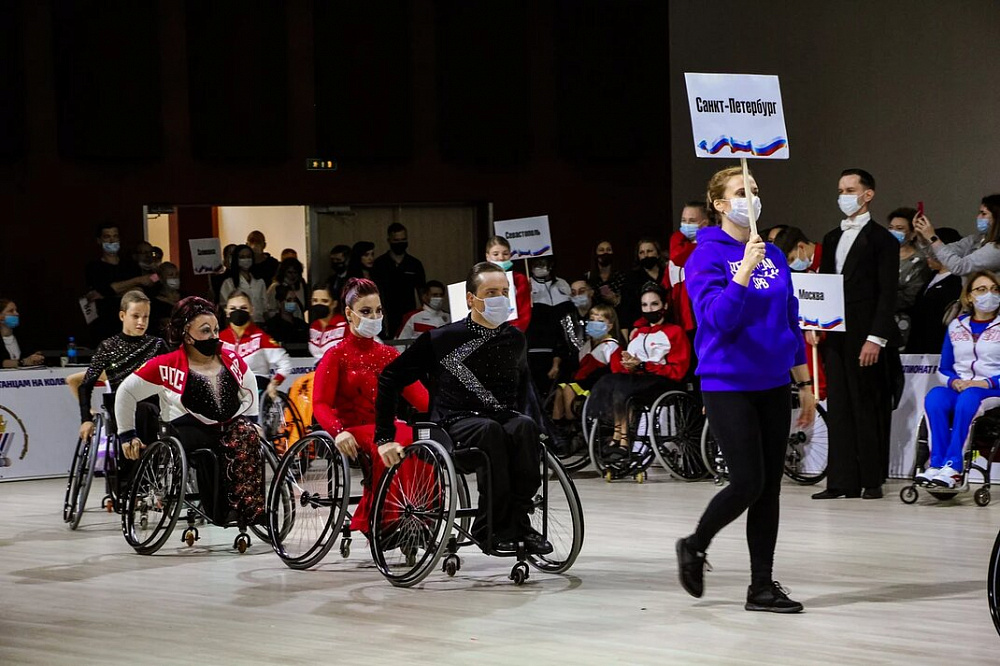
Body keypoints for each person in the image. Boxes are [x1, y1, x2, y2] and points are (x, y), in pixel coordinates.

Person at [677, 165, 815, 613]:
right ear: (719, 204)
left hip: (774, 381)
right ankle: (695, 544)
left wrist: (804, 383)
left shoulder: (772, 253)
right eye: (740, 191)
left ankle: (761, 587)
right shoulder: (704, 256)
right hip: (728, 383)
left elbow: (790, 320)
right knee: (747, 482)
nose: (750, 198)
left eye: (754, 190)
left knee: (769, 488)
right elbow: (716, 319)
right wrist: (743, 272)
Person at [373, 262, 551, 555]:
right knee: (490, 431)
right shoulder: (442, 338)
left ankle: (519, 523)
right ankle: (488, 527)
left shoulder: (514, 339)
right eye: (491, 292)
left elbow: (523, 389)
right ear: (471, 299)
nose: (500, 298)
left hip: (499, 417)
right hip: (452, 423)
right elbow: (390, 377)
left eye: (504, 292)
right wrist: (384, 436)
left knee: (524, 427)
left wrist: (536, 426)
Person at [115, 296, 266, 528]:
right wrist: (127, 434)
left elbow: (250, 382)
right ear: (186, 334)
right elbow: (125, 391)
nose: (213, 336)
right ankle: (222, 511)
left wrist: (253, 420)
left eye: (216, 330)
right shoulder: (166, 364)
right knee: (211, 448)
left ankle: (252, 507)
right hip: (184, 427)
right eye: (205, 331)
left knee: (247, 435)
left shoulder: (230, 358)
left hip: (228, 425)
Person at [312, 278, 429, 534]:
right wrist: (337, 431)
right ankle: (387, 522)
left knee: (419, 439)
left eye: (378, 311)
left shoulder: (389, 355)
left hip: (386, 425)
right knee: (392, 441)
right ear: (349, 313)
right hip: (353, 429)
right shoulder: (336, 355)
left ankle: (421, 517)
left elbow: (422, 399)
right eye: (366, 311)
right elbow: (319, 403)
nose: (374, 317)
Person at [812, 168, 899, 501]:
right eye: (840, 190)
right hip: (836, 334)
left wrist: (876, 338)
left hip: (866, 334)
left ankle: (871, 479)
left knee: (866, 405)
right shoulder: (832, 237)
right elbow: (824, 286)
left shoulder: (883, 240)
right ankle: (841, 480)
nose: (843, 196)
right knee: (839, 407)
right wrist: (815, 324)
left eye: (850, 190)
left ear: (868, 194)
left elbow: (887, 293)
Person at [76, 290, 168, 490]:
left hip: (152, 406)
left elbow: (175, 376)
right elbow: (85, 386)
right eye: (136, 316)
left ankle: (149, 475)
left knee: (146, 410)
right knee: (140, 410)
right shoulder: (108, 346)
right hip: (120, 406)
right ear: (122, 315)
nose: (141, 322)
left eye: (145, 317)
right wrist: (85, 419)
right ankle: (130, 480)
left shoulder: (157, 345)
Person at [918, 271, 1000, 489]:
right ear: (969, 297)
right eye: (981, 290)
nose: (989, 294)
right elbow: (944, 368)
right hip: (962, 387)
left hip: (991, 389)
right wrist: (954, 382)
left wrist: (986, 383)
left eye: (994, 290)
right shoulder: (956, 326)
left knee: (969, 398)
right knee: (935, 397)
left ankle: (954, 467)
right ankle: (936, 464)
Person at [588, 285, 689, 450]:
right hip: (639, 378)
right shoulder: (638, 333)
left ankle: (624, 439)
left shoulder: (674, 331)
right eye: (644, 305)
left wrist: (643, 365)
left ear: (664, 305)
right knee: (609, 380)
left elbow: (677, 371)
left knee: (623, 387)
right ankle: (616, 433)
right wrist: (629, 363)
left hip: (663, 381)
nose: (649, 309)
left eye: (654, 304)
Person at [551, 303, 620, 425]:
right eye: (592, 320)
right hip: (582, 382)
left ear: (609, 326)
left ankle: (574, 425)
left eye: (600, 321)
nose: (594, 324)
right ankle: (557, 426)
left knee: (569, 389)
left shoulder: (611, 346)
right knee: (561, 389)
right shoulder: (586, 346)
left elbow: (615, 372)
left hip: (597, 385)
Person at [84, 223, 151, 341]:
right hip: (105, 326)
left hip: (130, 326)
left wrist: (109, 293)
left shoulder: (130, 265)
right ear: (99, 240)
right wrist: (136, 281)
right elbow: (104, 290)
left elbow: (138, 292)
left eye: (115, 236)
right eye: (107, 237)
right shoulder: (94, 267)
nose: (112, 240)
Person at [220, 291, 293, 400]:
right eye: (233, 308)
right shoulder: (219, 339)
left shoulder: (261, 337)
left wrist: (274, 383)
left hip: (256, 388)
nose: (238, 312)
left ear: (251, 310)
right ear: (226, 311)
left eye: (243, 308)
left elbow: (285, 363)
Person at [907, 228, 964, 354]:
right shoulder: (930, 276)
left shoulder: (957, 281)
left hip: (939, 346)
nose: (927, 254)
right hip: (918, 344)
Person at [914, 195, 1000, 276]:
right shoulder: (975, 239)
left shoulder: (997, 248)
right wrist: (923, 237)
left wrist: (932, 238)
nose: (979, 217)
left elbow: (960, 267)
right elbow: (940, 255)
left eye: (983, 214)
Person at [888, 207, 933, 347]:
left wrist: (881, 301)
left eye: (900, 228)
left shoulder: (919, 261)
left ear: (913, 233)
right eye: (891, 228)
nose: (893, 231)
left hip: (903, 323)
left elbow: (911, 296)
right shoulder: (881, 256)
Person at [371, 222, 427, 336]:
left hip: (409, 313)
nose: (400, 243)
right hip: (386, 314)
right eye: (396, 240)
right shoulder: (379, 264)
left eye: (403, 239)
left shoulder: (414, 264)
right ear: (389, 241)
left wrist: (424, 314)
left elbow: (422, 291)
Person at [666, 202, 712, 337]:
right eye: (683, 220)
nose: (686, 225)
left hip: (702, 314)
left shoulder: (711, 245)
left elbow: (682, 256)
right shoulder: (679, 241)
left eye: (691, 221)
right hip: (679, 315)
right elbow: (677, 258)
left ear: (704, 223)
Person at [620, 238, 667, 339]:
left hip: (668, 326)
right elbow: (625, 310)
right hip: (641, 331)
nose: (645, 255)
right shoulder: (631, 279)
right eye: (641, 252)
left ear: (658, 254)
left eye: (649, 251)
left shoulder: (668, 273)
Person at [484, 235, 531, 332]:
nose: (501, 258)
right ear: (487, 256)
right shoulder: (479, 279)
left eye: (505, 253)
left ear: (510, 255)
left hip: (512, 331)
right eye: (495, 254)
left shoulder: (519, 279)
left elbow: (524, 310)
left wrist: (514, 331)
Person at [219, 244, 267, 323]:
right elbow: (225, 306)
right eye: (242, 257)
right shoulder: (229, 283)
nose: (246, 259)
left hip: (259, 322)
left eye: (248, 256)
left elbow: (265, 306)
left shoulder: (260, 281)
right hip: (239, 324)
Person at [0, 299, 45, 368]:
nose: (16, 314)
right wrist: (23, 362)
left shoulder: (23, 337)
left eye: (16, 310)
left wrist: (36, 357)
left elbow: (31, 353)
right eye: (11, 311)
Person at [584, 240, 626, 311]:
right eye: (601, 250)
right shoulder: (588, 278)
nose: (605, 253)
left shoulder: (622, 277)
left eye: (608, 250)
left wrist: (615, 300)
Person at [308, 285, 348, 359]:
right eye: (315, 300)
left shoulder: (345, 326)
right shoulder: (314, 326)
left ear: (334, 304)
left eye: (324, 301)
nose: (319, 304)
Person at [149, 261, 182, 338]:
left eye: (176, 274)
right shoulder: (156, 303)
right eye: (170, 275)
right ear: (161, 279)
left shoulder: (185, 296)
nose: (175, 278)